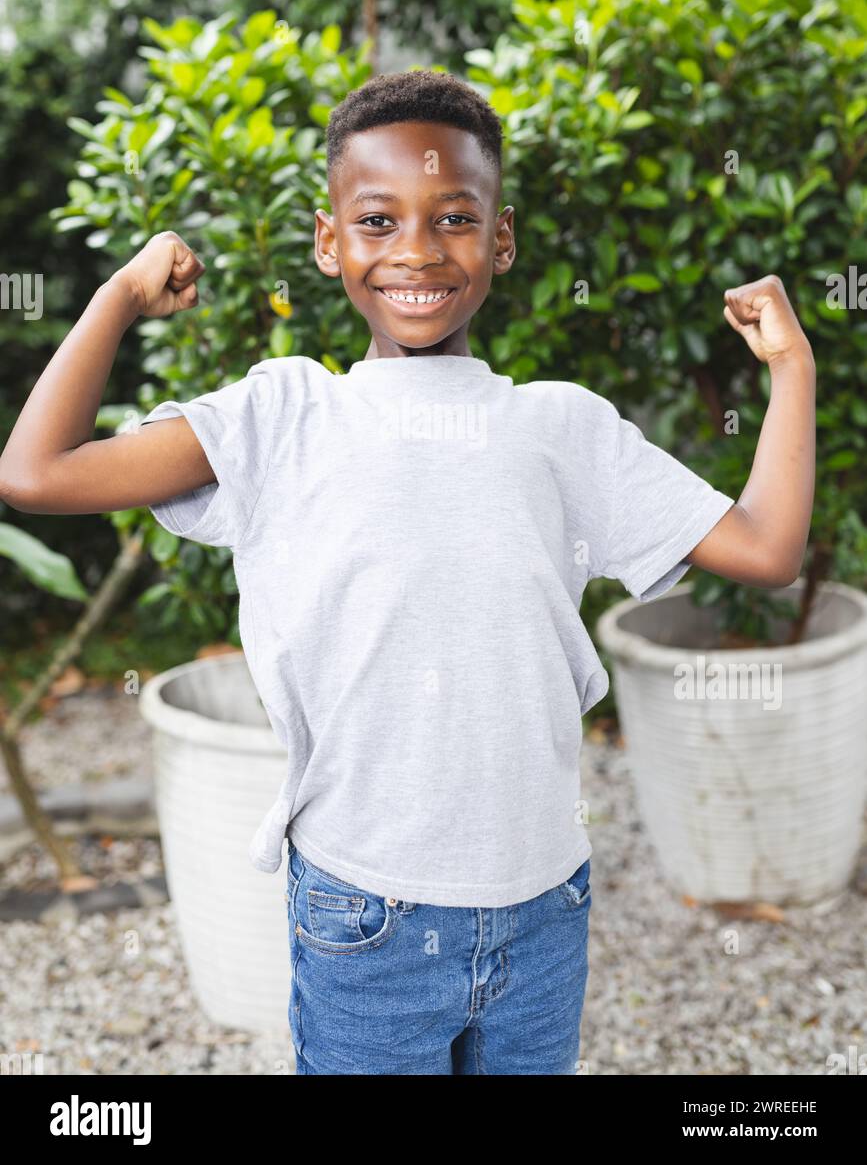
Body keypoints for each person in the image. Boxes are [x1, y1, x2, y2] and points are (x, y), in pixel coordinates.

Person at [0, 70, 816, 1075]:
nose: (418, 251)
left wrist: (792, 370)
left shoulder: (562, 427)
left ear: (501, 240)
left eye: (455, 219)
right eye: (378, 220)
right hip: (363, 915)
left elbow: (769, 549)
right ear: (328, 239)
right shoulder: (281, 418)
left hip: (543, 912)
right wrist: (122, 295)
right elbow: (35, 473)